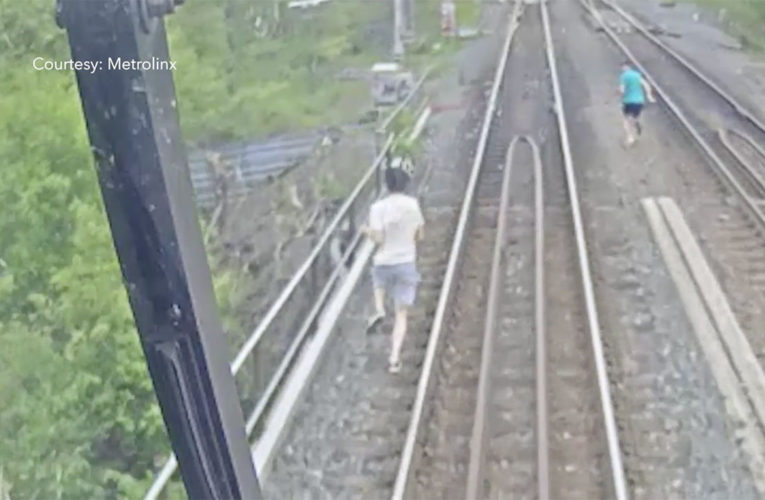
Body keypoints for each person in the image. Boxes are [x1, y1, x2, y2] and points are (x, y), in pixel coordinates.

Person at [361, 158, 424, 374]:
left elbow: (378, 239)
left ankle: (378, 309)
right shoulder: (412, 205)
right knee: (401, 315)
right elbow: (420, 234)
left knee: (378, 282)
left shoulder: (377, 208)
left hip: (383, 262)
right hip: (405, 261)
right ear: (405, 182)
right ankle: (394, 358)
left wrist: (366, 231)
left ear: (386, 183)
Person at [619, 61, 655, 147]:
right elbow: (646, 85)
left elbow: (622, 90)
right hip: (639, 101)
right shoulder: (637, 75)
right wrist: (649, 95)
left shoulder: (623, 76)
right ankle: (635, 122)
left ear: (624, 67)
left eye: (622, 67)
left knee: (626, 120)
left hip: (628, 101)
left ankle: (630, 137)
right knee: (633, 117)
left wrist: (619, 92)